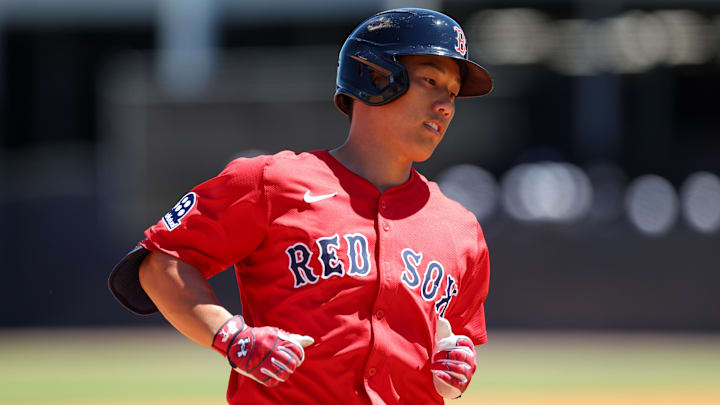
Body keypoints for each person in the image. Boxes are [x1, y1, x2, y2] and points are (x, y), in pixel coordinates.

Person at [108, 8, 492, 405]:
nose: (445, 104)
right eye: (430, 80)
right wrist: (231, 336)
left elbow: (457, 336)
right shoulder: (271, 182)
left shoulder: (461, 229)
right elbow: (162, 264)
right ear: (376, 76)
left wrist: (457, 360)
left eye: (451, 92)